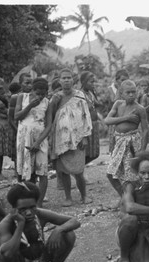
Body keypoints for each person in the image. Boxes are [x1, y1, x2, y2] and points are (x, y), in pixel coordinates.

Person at [0, 181, 80, 262]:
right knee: (2, 253)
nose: (29, 212)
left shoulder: (39, 214)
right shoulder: (6, 223)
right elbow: (7, 253)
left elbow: (75, 221)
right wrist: (20, 225)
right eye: (23, 209)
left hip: (41, 260)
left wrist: (58, 230)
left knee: (69, 234)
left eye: (32, 207)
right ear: (14, 209)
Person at [49, 68, 93, 207]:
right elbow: (50, 117)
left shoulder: (80, 95)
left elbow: (86, 116)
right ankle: (68, 197)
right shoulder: (55, 97)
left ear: (73, 80)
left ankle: (84, 195)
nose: (66, 80)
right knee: (63, 171)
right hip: (61, 139)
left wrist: (85, 136)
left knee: (79, 170)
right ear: (60, 81)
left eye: (69, 78)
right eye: (64, 78)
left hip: (78, 138)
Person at [105, 80, 148, 209]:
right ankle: (124, 196)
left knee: (132, 176)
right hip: (119, 142)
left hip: (132, 142)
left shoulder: (140, 109)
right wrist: (126, 118)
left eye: (133, 92)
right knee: (111, 173)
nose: (131, 95)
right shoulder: (118, 104)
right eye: (128, 92)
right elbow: (107, 120)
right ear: (121, 94)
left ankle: (136, 200)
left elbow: (145, 130)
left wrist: (142, 151)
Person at [14, 77, 52, 207]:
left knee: (42, 170)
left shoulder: (47, 102)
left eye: (43, 94)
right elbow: (17, 116)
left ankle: (39, 203)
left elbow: (48, 125)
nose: (40, 96)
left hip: (40, 139)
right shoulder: (22, 97)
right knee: (23, 169)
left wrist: (38, 142)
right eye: (38, 93)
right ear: (33, 90)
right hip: (24, 137)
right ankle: (25, 200)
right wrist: (30, 105)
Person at [80, 71, 102, 165]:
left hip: (94, 124)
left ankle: (80, 169)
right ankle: (79, 170)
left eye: (94, 82)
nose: (93, 84)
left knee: (95, 153)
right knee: (86, 152)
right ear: (84, 82)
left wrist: (94, 93)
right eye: (91, 82)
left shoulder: (90, 93)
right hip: (86, 126)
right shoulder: (80, 94)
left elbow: (98, 105)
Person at [107, 69, 130, 154]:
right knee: (115, 146)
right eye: (122, 80)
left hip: (126, 120)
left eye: (127, 80)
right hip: (115, 120)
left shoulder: (128, 90)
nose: (125, 82)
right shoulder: (111, 89)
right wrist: (120, 89)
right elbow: (114, 101)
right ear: (117, 80)